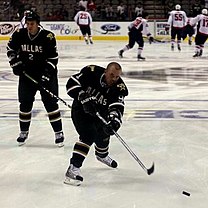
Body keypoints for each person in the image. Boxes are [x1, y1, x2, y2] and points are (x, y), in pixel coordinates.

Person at [64, 62, 128, 186]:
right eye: (112, 75)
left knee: (104, 133)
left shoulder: (119, 87)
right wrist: (82, 95)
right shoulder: (91, 72)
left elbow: (117, 106)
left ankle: (102, 155)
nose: (114, 79)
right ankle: (73, 168)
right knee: (88, 135)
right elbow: (71, 82)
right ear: (105, 72)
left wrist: (114, 121)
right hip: (81, 110)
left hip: (101, 113)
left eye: (117, 77)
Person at [6, 11, 65, 147]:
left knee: (51, 104)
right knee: (25, 104)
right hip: (27, 75)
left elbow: (53, 58)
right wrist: (15, 63)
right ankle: (23, 132)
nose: (29, 26)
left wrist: (45, 76)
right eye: (27, 23)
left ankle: (59, 132)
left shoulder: (48, 36)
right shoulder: (19, 34)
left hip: (46, 75)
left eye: (32, 24)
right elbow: (10, 49)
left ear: (38, 23)